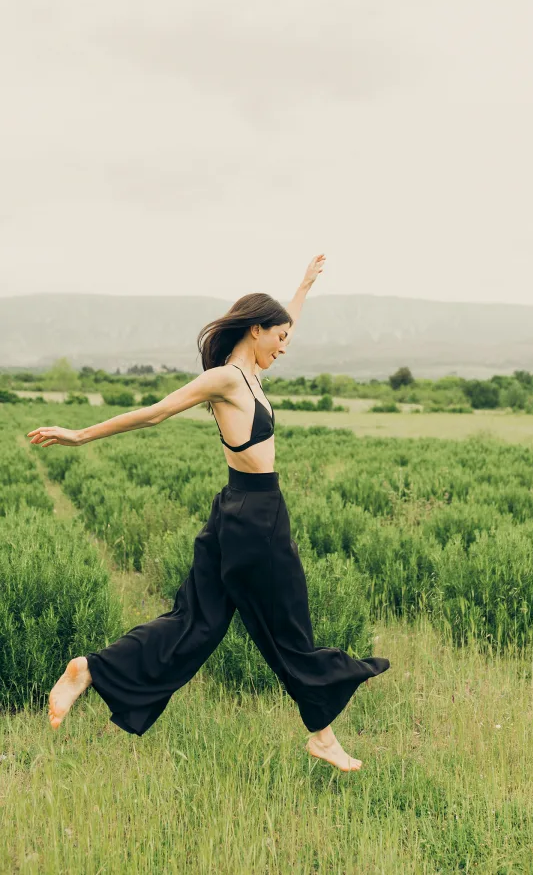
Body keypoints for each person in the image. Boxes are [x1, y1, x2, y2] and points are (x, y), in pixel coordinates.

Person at [28, 254, 390, 773]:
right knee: (287, 629)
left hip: (235, 513)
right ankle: (323, 737)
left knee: (196, 622)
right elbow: (155, 413)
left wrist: (303, 288)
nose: (285, 347)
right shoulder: (225, 379)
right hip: (257, 519)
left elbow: (284, 318)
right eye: (280, 338)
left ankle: (90, 669)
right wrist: (79, 434)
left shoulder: (250, 374)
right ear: (257, 330)